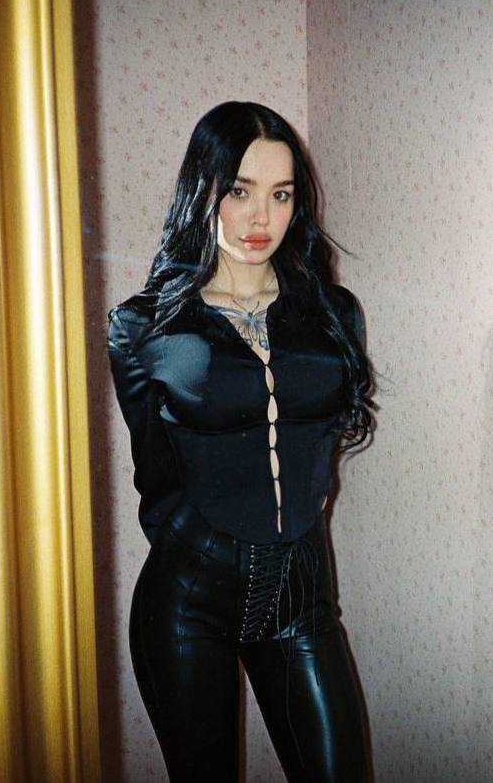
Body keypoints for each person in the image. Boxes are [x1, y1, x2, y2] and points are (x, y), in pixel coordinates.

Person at [106, 101, 376, 782]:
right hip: (187, 600)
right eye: (240, 191)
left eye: (281, 194)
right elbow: (154, 476)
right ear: (203, 191)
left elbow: (322, 448)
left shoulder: (331, 314)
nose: (262, 218)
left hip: (302, 596)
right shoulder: (144, 327)